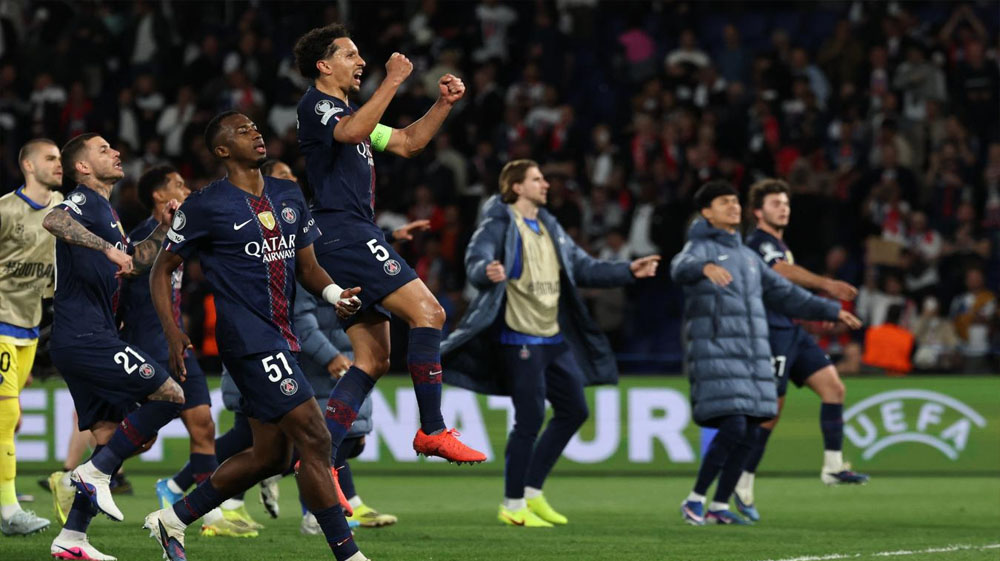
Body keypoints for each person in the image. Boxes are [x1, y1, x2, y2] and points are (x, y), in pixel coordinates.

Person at [143, 111, 367, 561]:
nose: (256, 133)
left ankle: (173, 519)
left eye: (256, 128)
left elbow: (308, 267)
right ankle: (349, 555)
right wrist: (172, 331)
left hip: (284, 338)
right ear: (222, 150)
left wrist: (334, 293)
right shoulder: (206, 205)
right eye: (243, 131)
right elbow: (161, 269)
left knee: (271, 457)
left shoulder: (288, 194)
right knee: (316, 438)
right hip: (248, 341)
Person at [293, 24, 485, 469]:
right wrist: (394, 79)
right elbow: (350, 133)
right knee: (430, 313)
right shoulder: (319, 105)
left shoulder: (350, 115)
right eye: (350, 55)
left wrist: (442, 105)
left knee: (373, 359)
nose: (361, 62)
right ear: (324, 66)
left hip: (347, 235)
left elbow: (406, 142)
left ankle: (321, 462)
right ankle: (432, 429)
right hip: (345, 232)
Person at [442, 160, 660, 527]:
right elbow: (476, 258)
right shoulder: (499, 222)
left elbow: (583, 266)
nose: (546, 184)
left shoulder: (549, 225)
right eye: (537, 179)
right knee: (529, 419)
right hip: (518, 337)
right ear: (516, 187)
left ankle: (531, 492)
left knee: (574, 410)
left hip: (552, 337)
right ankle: (512, 505)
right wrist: (485, 271)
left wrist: (627, 270)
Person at [671, 181, 861, 526]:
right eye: (724, 202)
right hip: (719, 352)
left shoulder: (747, 257)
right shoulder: (701, 247)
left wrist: (831, 310)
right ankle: (695, 499)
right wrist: (703, 268)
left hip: (753, 351)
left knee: (751, 425)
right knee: (735, 425)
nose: (733, 206)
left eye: (735, 201)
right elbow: (679, 266)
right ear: (707, 212)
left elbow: (787, 295)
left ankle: (719, 506)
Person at [43, 133, 186, 560]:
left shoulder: (107, 212)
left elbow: (135, 262)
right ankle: (90, 473)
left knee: (113, 437)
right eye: (103, 150)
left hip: (88, 336)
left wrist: (164, 227)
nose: (116, 152)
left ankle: (72, 537)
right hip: (86, 337)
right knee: (170, 396)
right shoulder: (83, 200)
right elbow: (53, 219)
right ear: (82, 167)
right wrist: (107, 249)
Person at [119, 165, 254, 538]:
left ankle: (211, 514)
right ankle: (82, 476)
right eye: (178, 184)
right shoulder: (142, 236)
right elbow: (128, 274)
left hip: (177, 344)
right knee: (143, 438)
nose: (187, 188)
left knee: (203, 425)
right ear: (159, 195)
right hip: (146, 346)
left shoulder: (183, 234)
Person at [736, 179, 870, 521]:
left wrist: (812, 312)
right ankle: (743, 480)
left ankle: (833, 467)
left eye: (786, 203)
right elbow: (779, 271)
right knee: (769, 414)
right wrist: (827, 285)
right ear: (758, 212)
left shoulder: (779, 244)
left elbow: (784, 289)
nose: (784, 209)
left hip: (792, 331)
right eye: (775, 204)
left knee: (834, 388)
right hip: (770, 334)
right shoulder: (758, 243)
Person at [0, 138, 63, 537]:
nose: (59, 164)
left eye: (60, 158)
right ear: (28, 165)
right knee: (6, 415)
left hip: (30, 326)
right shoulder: (6, 210)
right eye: (50, 158)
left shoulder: (62, 208)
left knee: (12, 418)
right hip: (1, 321)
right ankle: (9, 511)